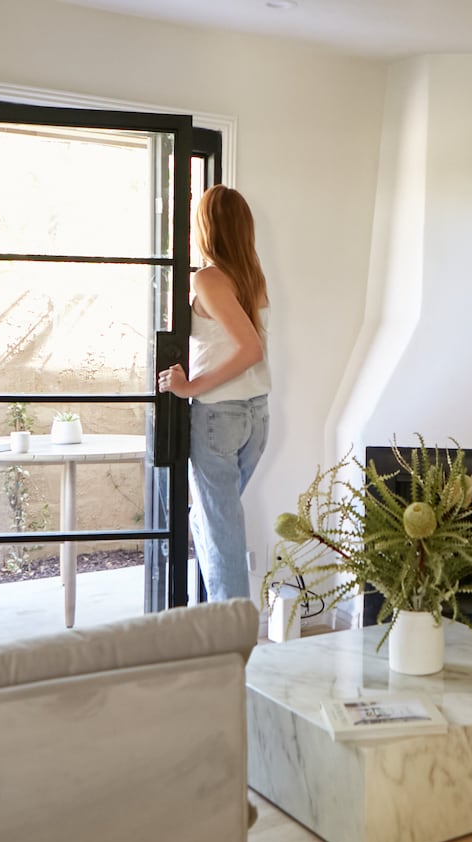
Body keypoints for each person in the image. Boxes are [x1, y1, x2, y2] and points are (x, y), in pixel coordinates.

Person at [158, 185, 271, 602]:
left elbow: (250, 349)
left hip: (220, 417)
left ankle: (231, 629)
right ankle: (217, 619)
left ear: (206, 227)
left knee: (220, 530)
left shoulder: (207, 278)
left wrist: (188, 387)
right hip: (256, 415)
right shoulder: (251, 276)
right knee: (211, 520)